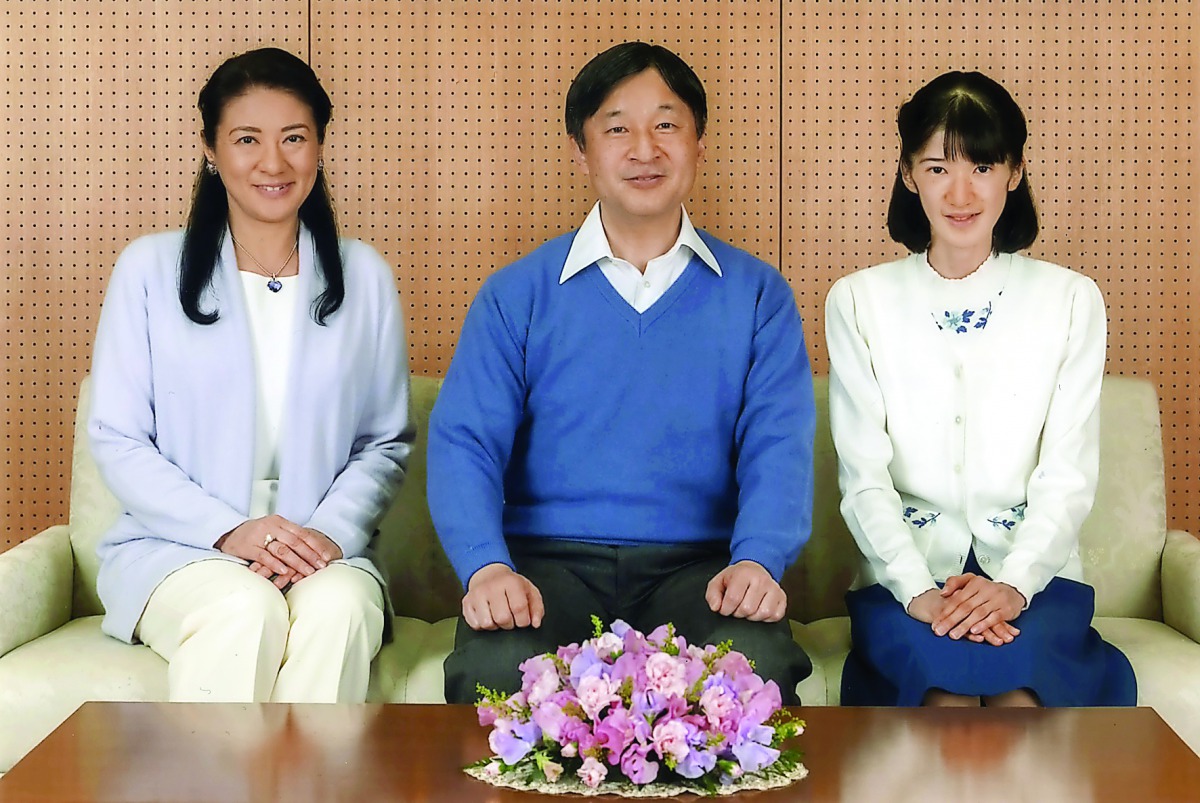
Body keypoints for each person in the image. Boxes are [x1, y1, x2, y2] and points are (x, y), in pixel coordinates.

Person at [427, 42, 815, 704]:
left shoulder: (757, 295)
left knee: (758, 665)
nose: (645, 148)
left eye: (666, 124)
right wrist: (487, 566)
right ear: (581, 152)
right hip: (548, 565)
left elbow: (778, 446)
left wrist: (757, 558)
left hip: (701, 567)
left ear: (698, 143)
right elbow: (465, 442)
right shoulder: (516, 294)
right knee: (494, 673)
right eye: (617, 128)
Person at [88, 47, 413, 703]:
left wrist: (325, 534)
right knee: (243, 606)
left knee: (340, 611)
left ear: (319, 144)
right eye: (247, 139)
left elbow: (384, 441)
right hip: (178, 550)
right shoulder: (148, 270)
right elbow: (119, 438)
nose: (274, 162)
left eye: (294, 138)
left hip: (326, 552)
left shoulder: (364, 276)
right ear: (210, 147)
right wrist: (230, 530)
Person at [826, 71, 1136, 708]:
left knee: (1020, 708)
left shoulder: (1071, 299)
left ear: (1015, 173)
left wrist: (1015, 583)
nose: (960, 192)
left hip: (1034, 581)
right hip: (905, 581)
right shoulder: (859, 300)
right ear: (909, 176)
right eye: (938, 168)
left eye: (983, 166)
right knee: (946, 707)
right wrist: (917, 589)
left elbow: (1067, 472)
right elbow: (862, 477)